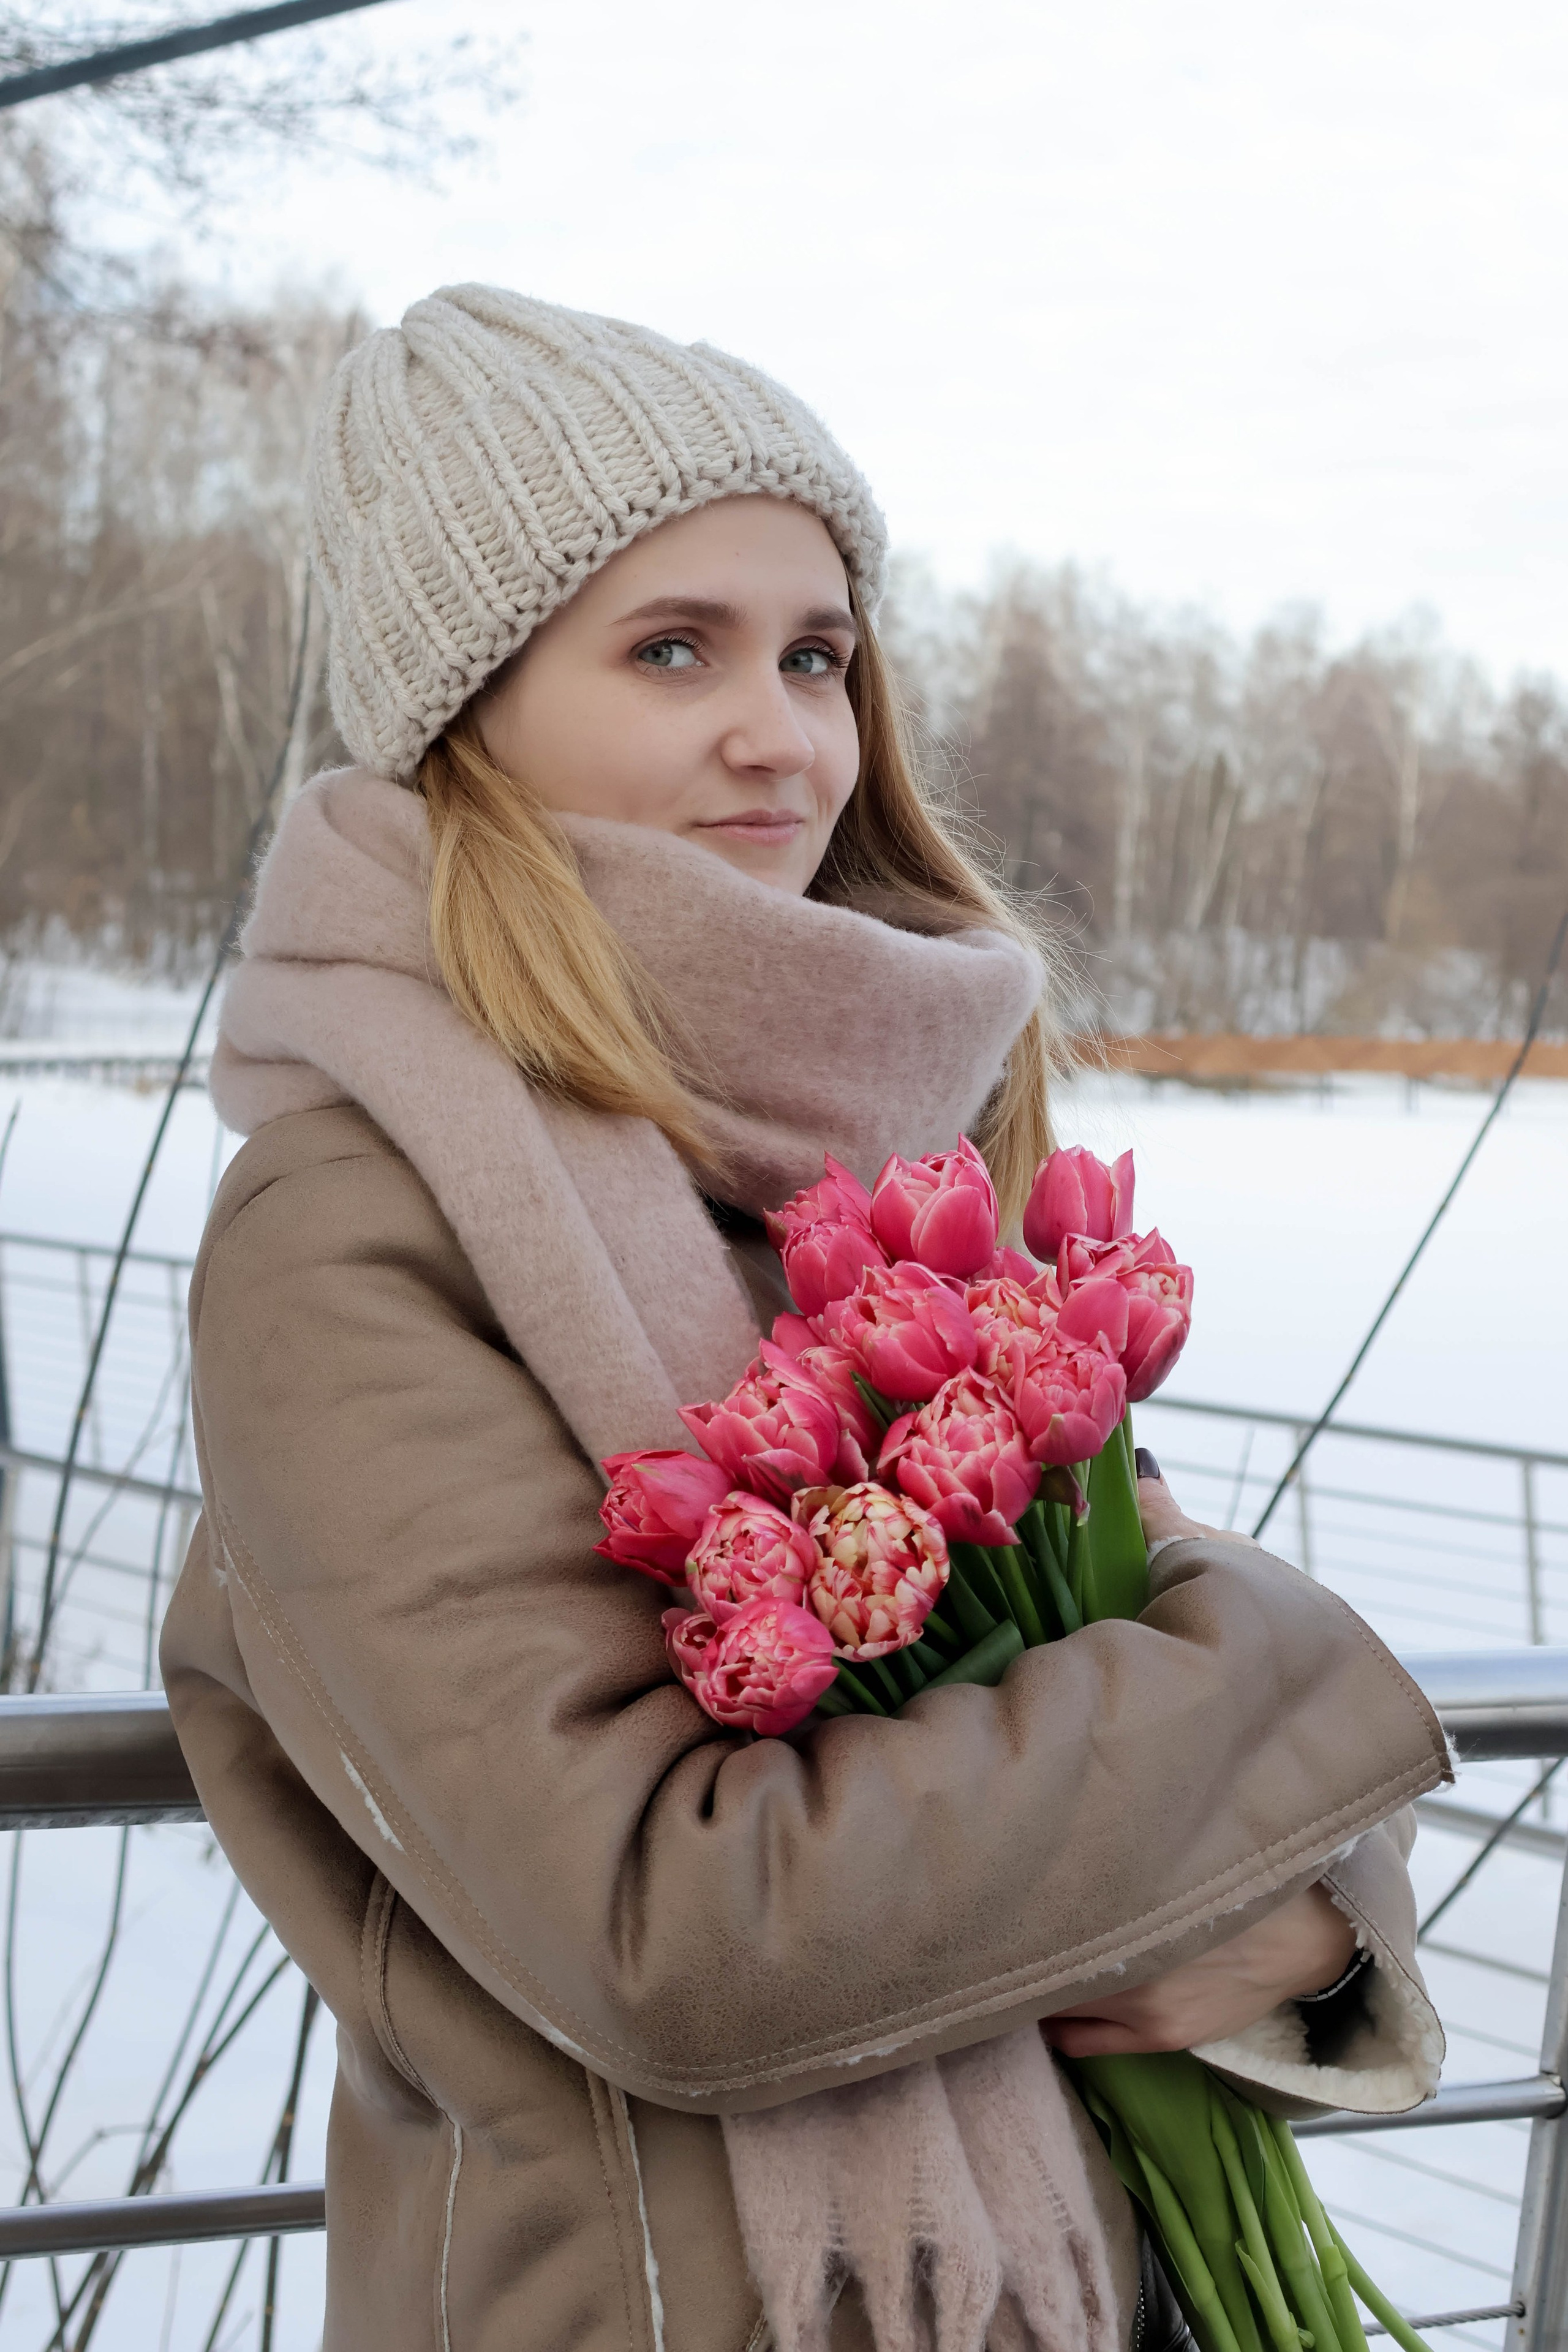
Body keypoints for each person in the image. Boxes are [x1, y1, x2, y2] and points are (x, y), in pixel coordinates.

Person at [160, 287, 1450, 2352]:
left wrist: (1307, 1924)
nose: (785, 730)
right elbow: (684, 1931)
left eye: (818, 652)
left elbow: (1118, 1673)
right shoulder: (352, 1230)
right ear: (463, 704)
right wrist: (1288, 1670)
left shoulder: (881, 1162)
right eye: (673, 648)